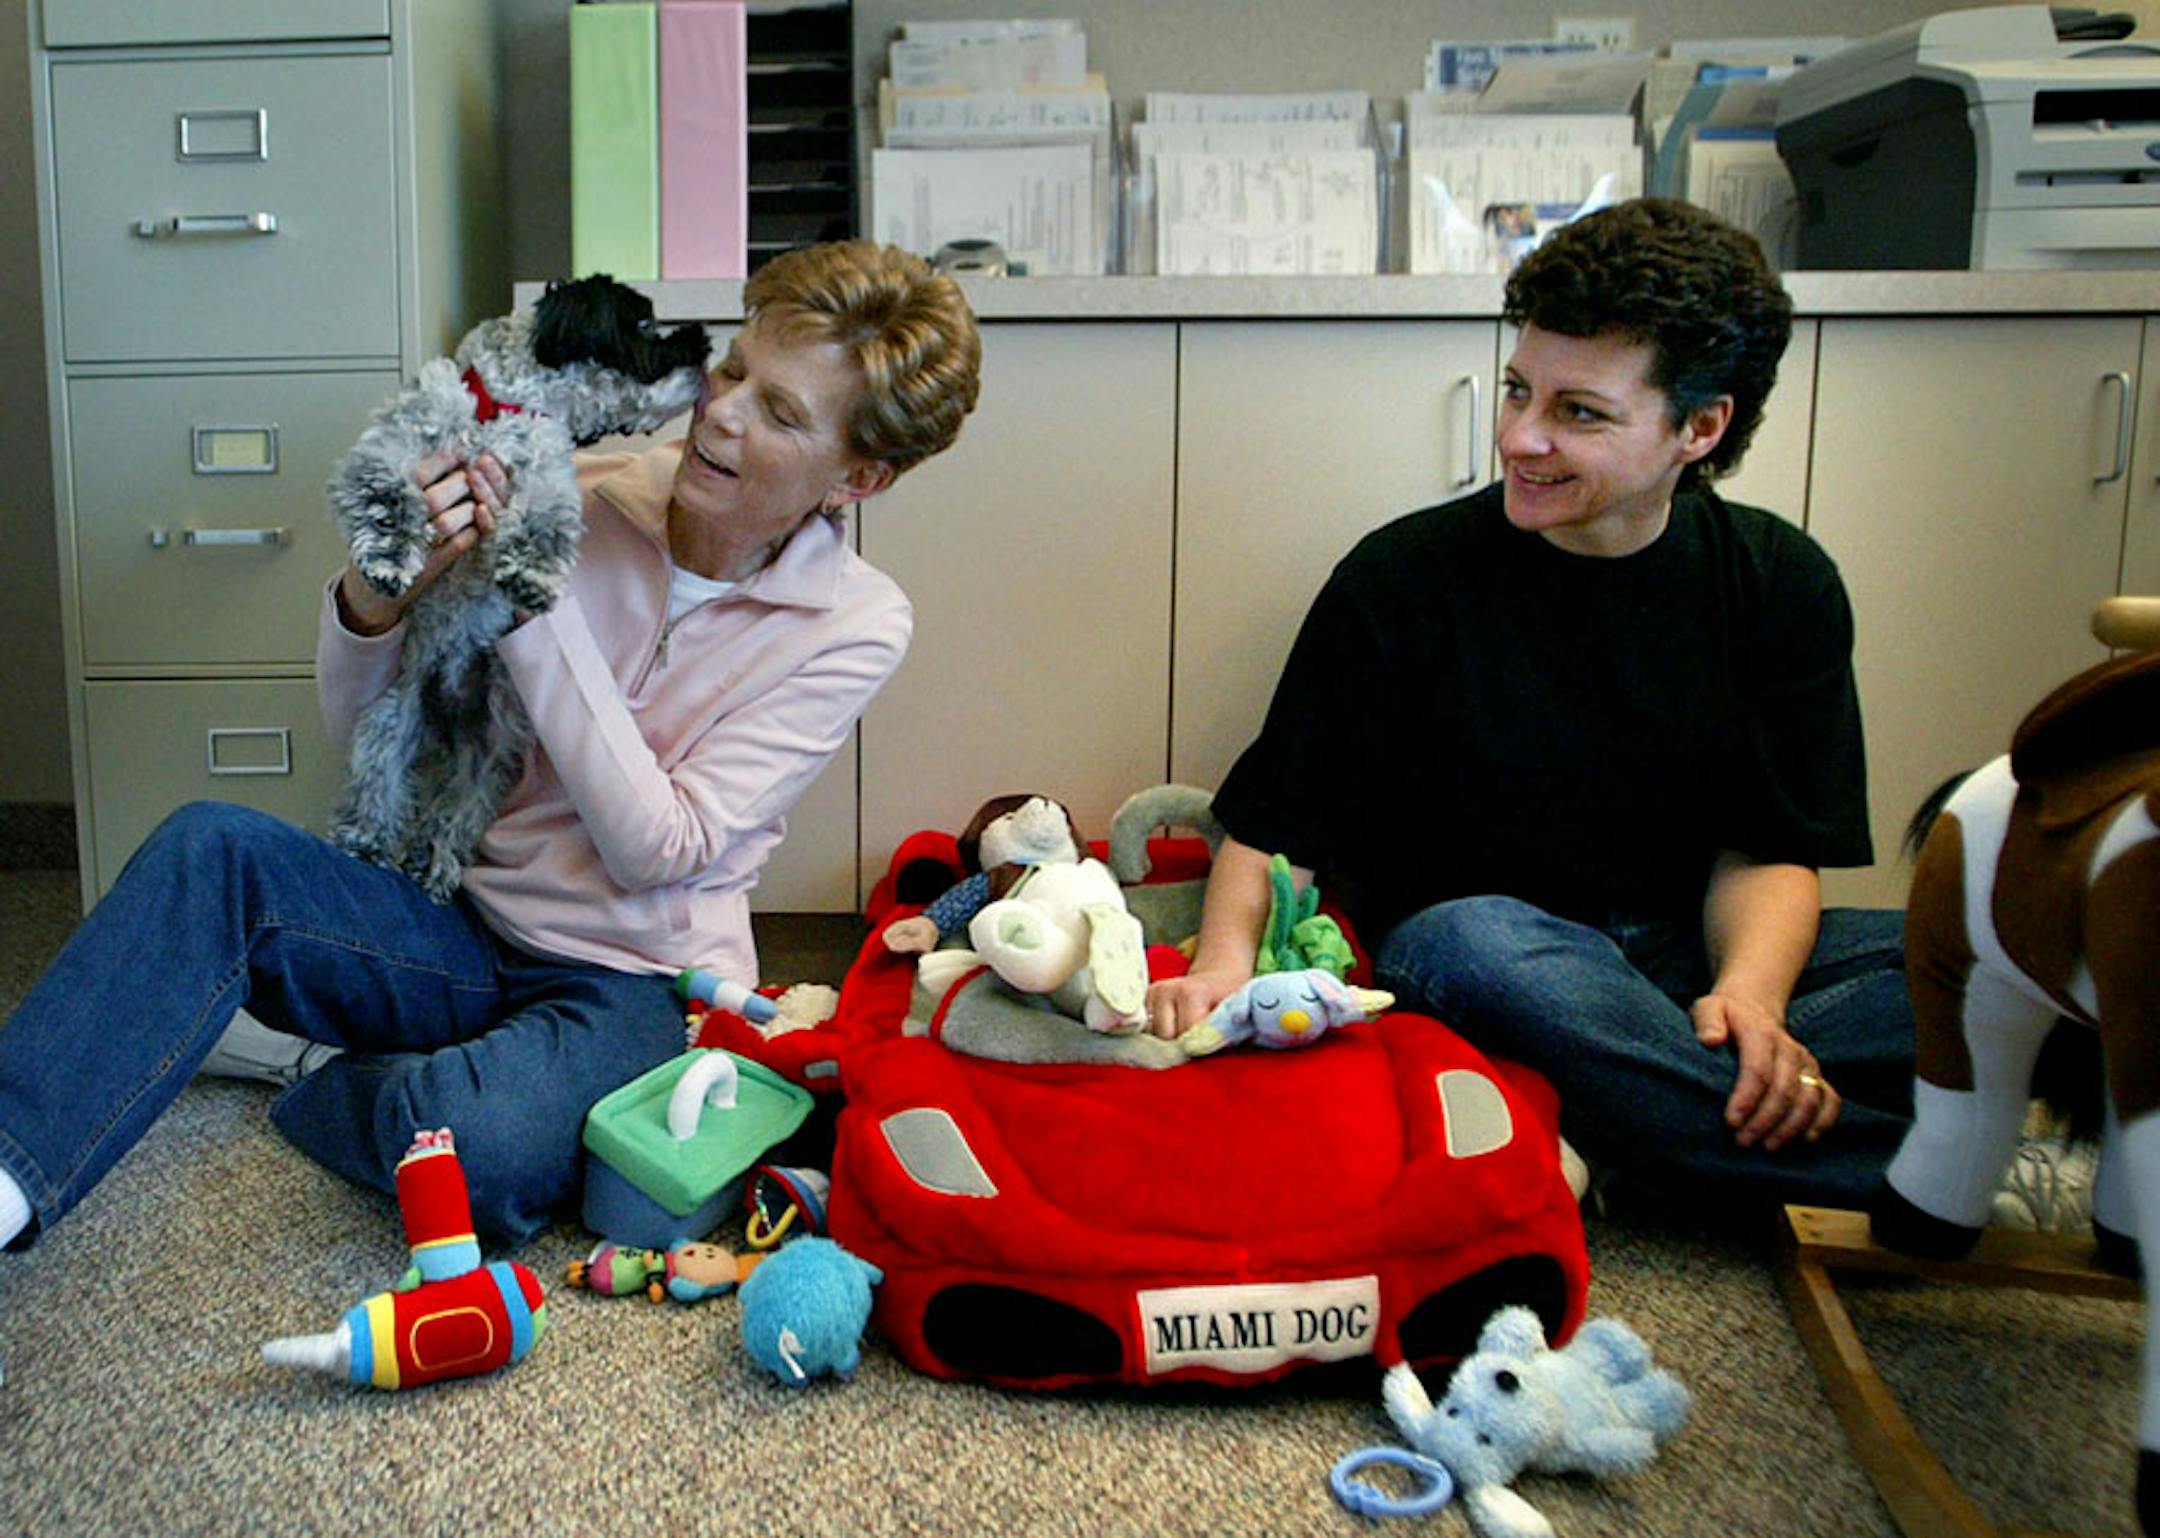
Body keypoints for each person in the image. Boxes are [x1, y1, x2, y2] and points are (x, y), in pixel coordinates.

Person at [0, 240, 982, 1258]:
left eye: (779, 411)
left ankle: (321, 1071)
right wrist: (378, 597)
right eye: (733, 369)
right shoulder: (579, 490)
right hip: (459, 923)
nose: (722, 410)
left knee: (480, 1148)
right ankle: (9, 1172)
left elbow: (661, 847)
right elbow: (378, 736)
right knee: (212, 852)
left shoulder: (856, 622)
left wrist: (529, 592)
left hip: (633, 977)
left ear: (856, 477)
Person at [1147, 198, 1915, 1213]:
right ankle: (1910, 1174)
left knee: (1980, 964)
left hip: (1685, 956)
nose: (1520, 437)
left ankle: (1637, 1116)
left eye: (1579, 412)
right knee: (1479, 947)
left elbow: (1768, 848)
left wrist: (1750, 1000)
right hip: (1490, 960)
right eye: (1519, 390)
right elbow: (1277, 825)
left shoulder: (1781, 582)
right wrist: (1224, 966)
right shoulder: (1403, 577)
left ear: (1700, 427)